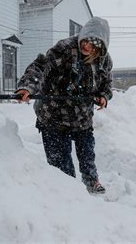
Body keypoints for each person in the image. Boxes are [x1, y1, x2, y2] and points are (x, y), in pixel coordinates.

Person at [15, 17, 113, 194]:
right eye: (86, 41)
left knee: (87, 155)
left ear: (100, 47)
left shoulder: (104, 61)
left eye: (93, 44)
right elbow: (40, 67)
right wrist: (27, 86)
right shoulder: (65, 49)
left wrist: (103, 96)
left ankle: (91, 182)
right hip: (53, 117)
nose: (87, 47)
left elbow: (106, 84)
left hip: (82, 117)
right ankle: (68, 193)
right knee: (61, 165)